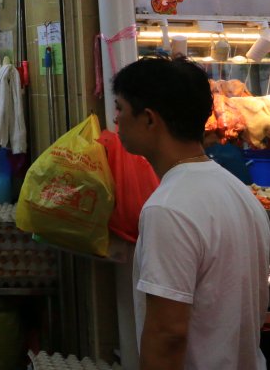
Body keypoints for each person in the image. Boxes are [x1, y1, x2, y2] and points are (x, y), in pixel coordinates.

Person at [113, 56, 270, 370]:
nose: (115, 120)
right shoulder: (240, 193)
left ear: (148, 119)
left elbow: (167, 334)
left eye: (119, 108)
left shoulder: (167, 208)